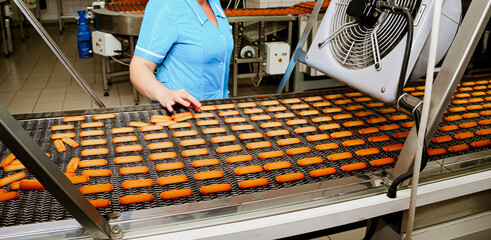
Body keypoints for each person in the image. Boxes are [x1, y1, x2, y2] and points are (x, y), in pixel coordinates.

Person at [130, 0, 234, 112]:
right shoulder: (166, 4)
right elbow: (139, 66)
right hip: (180, 113)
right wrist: (164, 93)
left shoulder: (213, 3)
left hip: (218, 111)